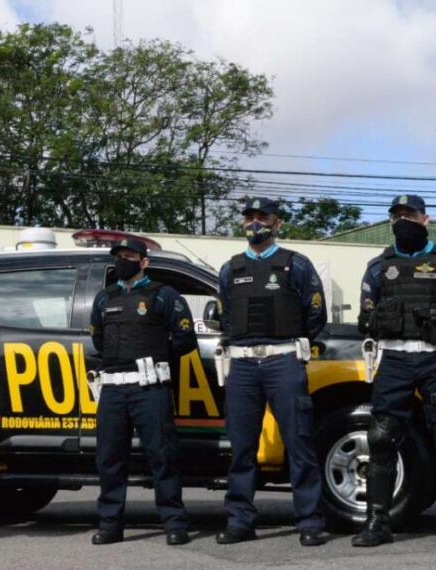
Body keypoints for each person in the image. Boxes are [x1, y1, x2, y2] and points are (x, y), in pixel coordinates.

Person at [353, 194, 436, 553]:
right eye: (396, 215)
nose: (403, 220)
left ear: (425, 219)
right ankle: (377, 522)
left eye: (410, 214)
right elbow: (366, 318)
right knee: (381, 438)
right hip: (394, 360)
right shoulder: (379, 266)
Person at [216, 197, 329, 547]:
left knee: (299, 444)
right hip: (243, 365)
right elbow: (224, 316)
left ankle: (310, 521)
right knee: (241, 448)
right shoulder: (229, 268)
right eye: (249, 217)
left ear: (277, 223)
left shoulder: (296, 264)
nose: (254, 223)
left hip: (283, 362)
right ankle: (240, 521)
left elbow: (315, 314)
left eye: (262, 217)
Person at [89, 238, 198, 546]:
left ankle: (175, 524)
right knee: (109, 459)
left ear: (144, 261)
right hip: (112, 388)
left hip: (149, 387)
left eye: (129, 255)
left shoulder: (163, 295)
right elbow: (98, 341)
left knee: (162, 456)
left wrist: (157, 360)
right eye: (119, 256)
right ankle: (110, 524)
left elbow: (185, 339)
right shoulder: (103, 298)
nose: (123, 260)